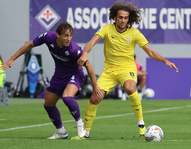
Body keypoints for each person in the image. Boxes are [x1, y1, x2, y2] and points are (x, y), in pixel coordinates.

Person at [71, 1, 178, 140]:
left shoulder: (134, 33)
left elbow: (150, 52)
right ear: (114, 17)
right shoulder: (106, 29)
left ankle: (141, 124)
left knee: (129, 87)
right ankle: (85, 134)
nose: (122, 20)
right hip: (109, 71)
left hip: (127, 69)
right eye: (120, 17)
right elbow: (91, 42)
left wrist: (165, 61)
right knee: (95, 98)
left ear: (129, 19)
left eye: (125, 18)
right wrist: (85, 52)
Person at [1, 21, 104, 139]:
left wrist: (95, 85)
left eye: (70, 36)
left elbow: (88, 66)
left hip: (74, 74)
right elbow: (29, 45)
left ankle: (80, 124)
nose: (69, 39)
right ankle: (61, 132)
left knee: (67, 97)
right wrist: (12, 59)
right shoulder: (48, 37)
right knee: (48, 104)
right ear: (57, 35)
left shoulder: (74, 49)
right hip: (59, 74)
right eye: (66, 35)